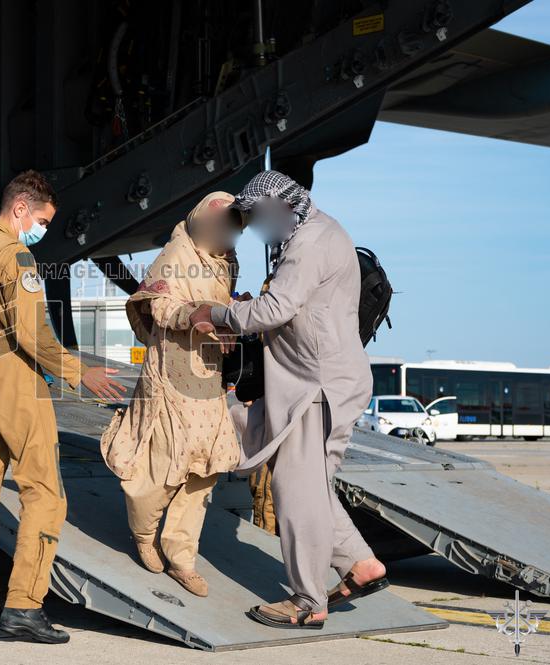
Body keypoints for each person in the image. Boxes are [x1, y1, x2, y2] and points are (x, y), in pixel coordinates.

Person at [190, 170, 387, 629]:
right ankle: (361, 565)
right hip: (319, 381)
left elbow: (277, 309)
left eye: (257, 215)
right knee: (312, 486)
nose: (255, 226)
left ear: (280, 207)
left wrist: (217, 313)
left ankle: (307, 601)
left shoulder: (309, 242)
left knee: (295, 493)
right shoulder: (315, 232)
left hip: (317, 388)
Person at [0, 170, 125, 643]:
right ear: (21, 208)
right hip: (12, 375)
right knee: (44, 494)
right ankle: (24, 606)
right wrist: (76, 371)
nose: (42, 230)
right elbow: (33, 333)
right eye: (42, 220)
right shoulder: (16, 256)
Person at [100, 192, 242, 597]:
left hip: (207, 376)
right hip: (170, 376)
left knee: (205, 468)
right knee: (165, 463)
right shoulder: (176, 253)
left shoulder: (224, 259)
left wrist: (231, 314)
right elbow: (157, 306)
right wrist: (193, 317)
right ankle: (143, 531)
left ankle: (182, 556)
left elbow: (219, 304)